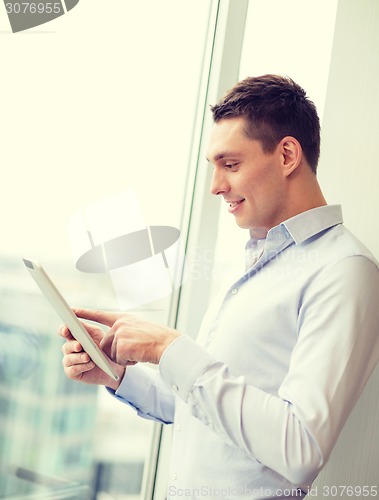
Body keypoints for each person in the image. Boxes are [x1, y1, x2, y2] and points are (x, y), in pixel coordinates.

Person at [59, 75, 379, 499]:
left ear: (287, 155)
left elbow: (300, 446)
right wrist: (119, 376)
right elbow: (206, 413)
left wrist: (169, 348)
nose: (215, 186)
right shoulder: (252, 262)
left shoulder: (344, 270)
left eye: (230, 165)